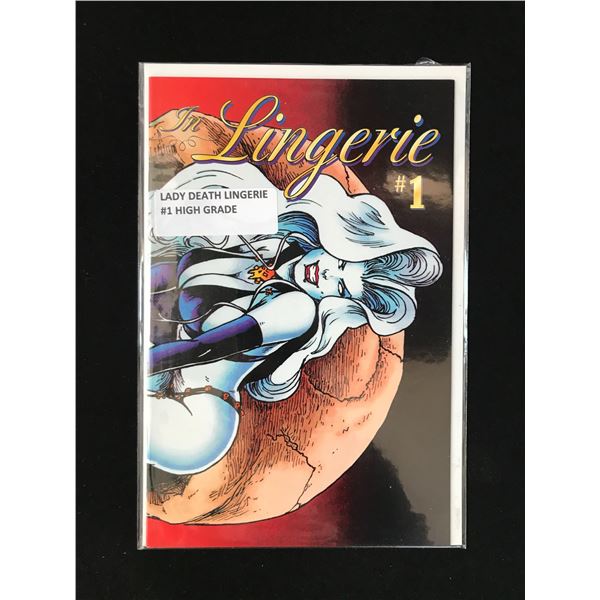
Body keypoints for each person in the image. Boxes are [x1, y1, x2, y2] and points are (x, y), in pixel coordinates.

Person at [145, 163, 442, 475]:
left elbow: (201, 350)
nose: (327, 276)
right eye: (341, 264)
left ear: (340, 302)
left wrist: (142, 366)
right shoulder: (274, 241)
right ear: (339, 243)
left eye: (340, 288)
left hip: (196, 420)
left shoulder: (298, 309)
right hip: (167, 372)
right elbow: (164, 273)